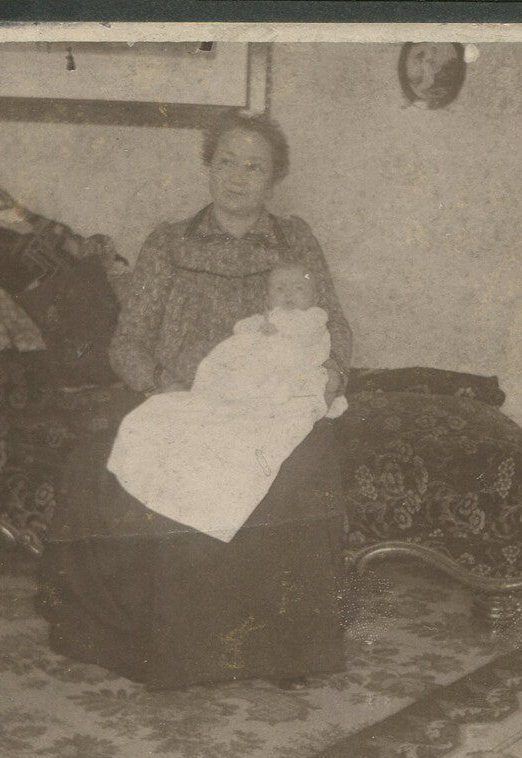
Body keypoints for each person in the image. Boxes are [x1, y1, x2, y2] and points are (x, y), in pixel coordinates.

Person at [37, 111, 352, 690]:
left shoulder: (295, 240)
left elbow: (332, 325)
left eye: (254, 167)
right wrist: (163, 385)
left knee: (298, 467)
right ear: (208, 167)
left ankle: (276, 650)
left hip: (270, 399)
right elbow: (127, 342)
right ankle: (172, 645)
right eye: (226, 161)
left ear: (275, 178)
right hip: (184, 396)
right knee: (133, 461)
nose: (237, 177)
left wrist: (326, 376)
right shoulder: (169, 242)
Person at [105, 262, 347, 544]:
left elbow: (311, 345)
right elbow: (238, 340)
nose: (289, 295)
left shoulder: (314, 319)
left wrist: (281, 335)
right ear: (267, 297)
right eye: (280, 288)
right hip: (246, 383)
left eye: (299, 288)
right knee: (166, 416)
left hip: (284, 381)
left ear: (315, 298)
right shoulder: (260, 320)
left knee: (257, 434)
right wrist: (258, 331)